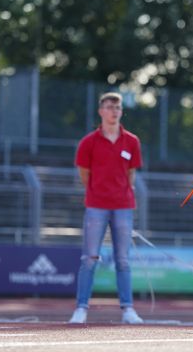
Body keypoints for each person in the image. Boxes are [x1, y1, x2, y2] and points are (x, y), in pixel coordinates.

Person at [69, 92, 144, 324]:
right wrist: (97, 192)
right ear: (100, 111)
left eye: (117, 107)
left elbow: (131, 173)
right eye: (109, 107)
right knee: (90, 258)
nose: (114, 111)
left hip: (123, 206)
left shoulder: (132, 141)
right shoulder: (88, 142)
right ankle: (81, 308)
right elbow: (84, 173)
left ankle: (128, 309)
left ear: (121, 111)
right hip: (96, 206)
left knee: (123, 259)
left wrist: (122, 193)